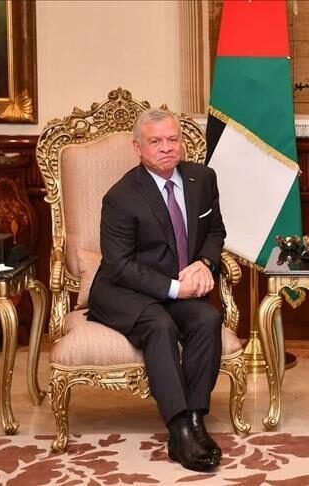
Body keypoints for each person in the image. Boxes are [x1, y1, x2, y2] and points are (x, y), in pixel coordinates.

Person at [87, 108, 226, 472]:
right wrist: (176, 288)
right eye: (156, 141)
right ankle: (179, 431)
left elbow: (215, 232)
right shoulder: (120, 197)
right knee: (159, 325)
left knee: (208, 319)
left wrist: (205, 263)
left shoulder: (202, 178)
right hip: (124, 290)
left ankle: (195, 418)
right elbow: (119, 266)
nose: (166, 147)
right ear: (138, 148)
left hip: (177, 284)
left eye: (173, 139)